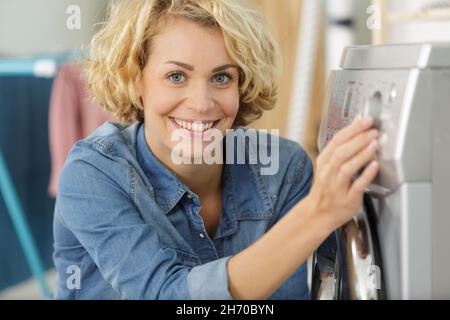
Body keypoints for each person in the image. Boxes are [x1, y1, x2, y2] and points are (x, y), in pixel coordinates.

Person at [53, 0, 379, 300]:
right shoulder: (93, 175)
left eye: (221, 77)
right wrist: (318, 214)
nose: (202, 103)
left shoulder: (284, 171)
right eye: (176, 76)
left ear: (242, 83)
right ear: (136, 80)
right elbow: (167, 296)